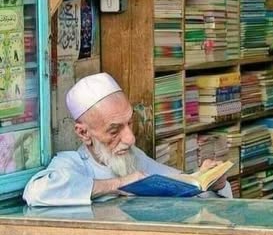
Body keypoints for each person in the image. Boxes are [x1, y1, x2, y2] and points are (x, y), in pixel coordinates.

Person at [23, 73, 232, 206]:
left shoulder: (134, 157)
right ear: (84, 133)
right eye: (114, 130)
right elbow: (36, 192)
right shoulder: (73, 163)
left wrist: (212, 182)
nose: (130, 139)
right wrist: (119, 184)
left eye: (130, 123)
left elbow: (184, 185)